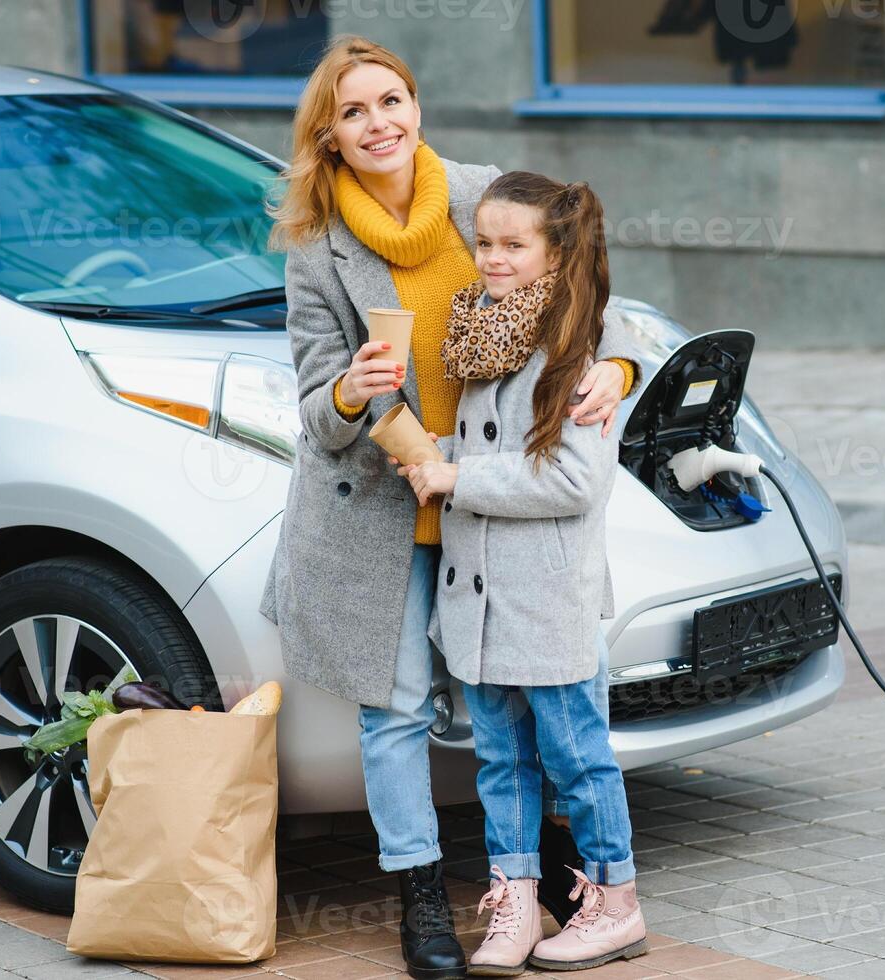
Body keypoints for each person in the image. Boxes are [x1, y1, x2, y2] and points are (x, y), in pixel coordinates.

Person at [257, 36, 642, 980]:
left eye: (392, 100)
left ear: (417, 106)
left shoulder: (480, 197)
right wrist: (354, 392)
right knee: (394, 714)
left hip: (488, 506)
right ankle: (421, 896)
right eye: (353, 112)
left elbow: (593, 291)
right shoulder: (317, 250)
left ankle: (547, 878)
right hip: (379, 510)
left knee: (514, 704)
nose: (379, 122)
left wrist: (617, 365)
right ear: (329, 137)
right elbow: (317, 409)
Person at [400, 171, 647, 974]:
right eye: (485, 243)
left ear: (554, 252)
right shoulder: (480, 331)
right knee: (501, 763)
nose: (495, 259)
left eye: (515, 244)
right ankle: (516, 903)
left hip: (545, 602)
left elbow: (576, 481)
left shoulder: (577, 349)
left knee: (577, 758)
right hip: (478, 602)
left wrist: (456, 479)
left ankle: (615, 903)